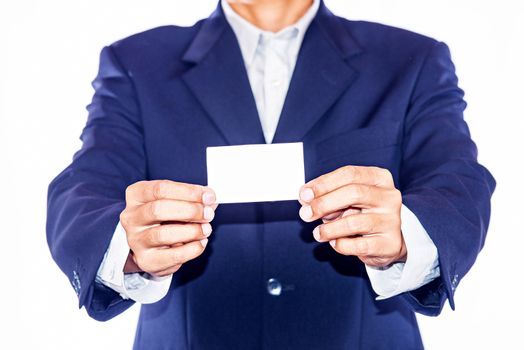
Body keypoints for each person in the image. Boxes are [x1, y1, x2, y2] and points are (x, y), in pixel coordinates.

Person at [46, 0, 496, 348]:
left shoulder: (411, 59)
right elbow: (82, 192)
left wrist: (404, 235)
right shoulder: (136, 62)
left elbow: (458, 186)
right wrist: (128, 245)